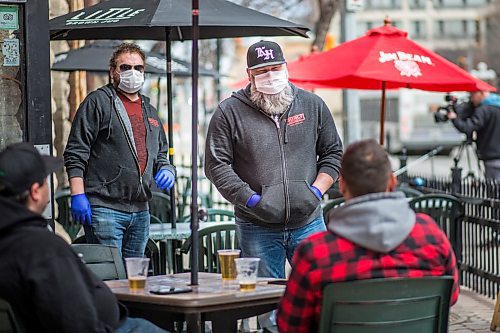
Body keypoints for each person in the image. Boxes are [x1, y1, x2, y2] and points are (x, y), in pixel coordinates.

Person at [277, 139, 459, 332]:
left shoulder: (316, 253)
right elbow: (451, 296)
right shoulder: (430, 234)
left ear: (342, 185)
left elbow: (290, 326)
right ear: (392, 181)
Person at [204, 40, 343, 279]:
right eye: (262, 71)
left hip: (309, 221)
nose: (270, 76)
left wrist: (317, 192)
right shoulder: (229, 112)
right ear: (249, 74)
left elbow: (333, 153)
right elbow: (217, 166)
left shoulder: (312, 105)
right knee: (265, 304)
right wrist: (252, 200)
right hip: (256, 226)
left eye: (275, 68)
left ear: (286, 67)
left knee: (322, 289)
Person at [0, 142, 167, 333]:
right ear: (35, 192)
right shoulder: (42, 248)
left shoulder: (12, 240)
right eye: (46, 179)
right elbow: (78, 323)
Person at [64, 42, 175, 258]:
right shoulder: (97, 102)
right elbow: (76, 152)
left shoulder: (149, 111)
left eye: (138, 68)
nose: (132, 73)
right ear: (113, 71)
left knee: (134, 279)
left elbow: (161, 153)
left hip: (141, 210)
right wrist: (78, 194)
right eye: (125, 67)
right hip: (105, 208)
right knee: (113, 277)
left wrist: (168, 169)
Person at [448, 90, 500, 181]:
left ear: (482, 93)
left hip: (492, 157)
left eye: (472, 95)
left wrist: (454, 118)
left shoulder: (484, 109)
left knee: (493, 191)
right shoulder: (497, 104)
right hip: (494, 156)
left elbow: (468, 127)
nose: (471, 99)